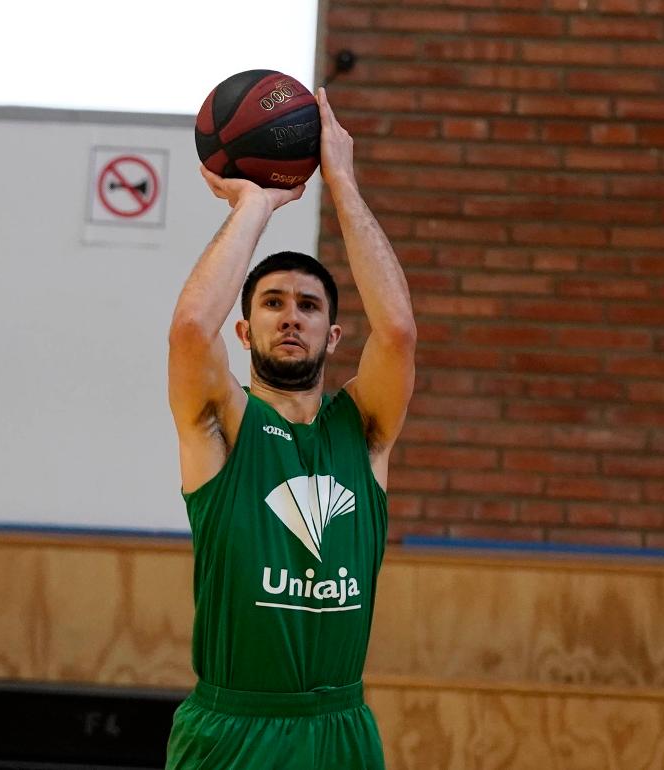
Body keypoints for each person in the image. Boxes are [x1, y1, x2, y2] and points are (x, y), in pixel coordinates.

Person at [165, 87, 416, 770]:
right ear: (246, 330)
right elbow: (190, 332)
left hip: (339, 728)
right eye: (272, 303)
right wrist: (256, 205)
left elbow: (396, 331)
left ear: (333, 336)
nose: (290, 316)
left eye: (308, 306)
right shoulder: (224, 427)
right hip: (232, 729)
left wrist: (342, 181)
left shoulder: (361, 431)